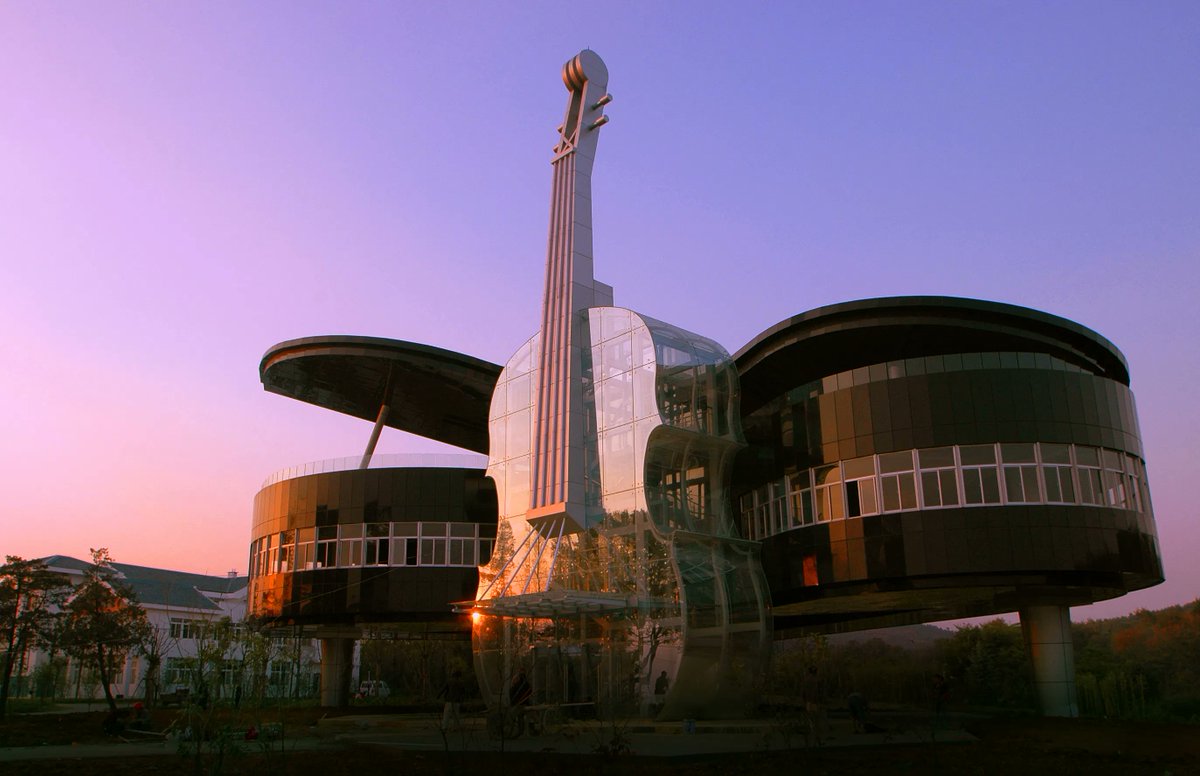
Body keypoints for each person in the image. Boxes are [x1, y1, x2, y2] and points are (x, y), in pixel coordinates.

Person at [802, 666, 828, 745]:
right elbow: (819, 692)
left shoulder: (805, 680)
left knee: (811, 722)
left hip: (808, 702)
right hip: (816, 702)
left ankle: (812, 741)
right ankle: (817, 740)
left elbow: (803, 692)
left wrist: (805, 701)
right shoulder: (818, 680)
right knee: (818, 722)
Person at [508, 668, 532, 736]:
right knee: (520, 716)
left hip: (518, 703)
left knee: (519, 716)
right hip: (521, 703)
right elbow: (529, 690)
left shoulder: (516, 686)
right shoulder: (522, 684)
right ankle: (522, 731)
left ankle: (521, 731)